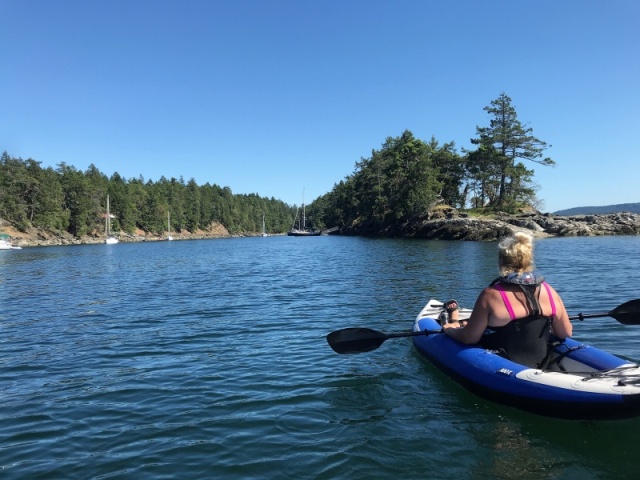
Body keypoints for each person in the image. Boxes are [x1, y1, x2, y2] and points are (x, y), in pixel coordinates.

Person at [442, 231, 573, 368]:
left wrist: (449, 330)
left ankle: (454, 320)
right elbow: (565, 333)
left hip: (503, 367)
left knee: (463, 329)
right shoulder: (549, 291)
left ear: (502, 261)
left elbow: (469, 338)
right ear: (529, 260)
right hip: (542, 365)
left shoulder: (491, 295)